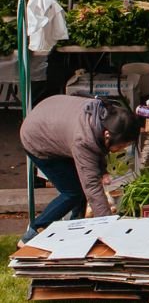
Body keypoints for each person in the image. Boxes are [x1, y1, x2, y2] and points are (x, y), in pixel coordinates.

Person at [19, 96, 140, 244]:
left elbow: (99, 146)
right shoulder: (83, 140)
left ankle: (77, 225)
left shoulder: (104, 116)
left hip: (51, 118)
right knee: (73, 192)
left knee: (79, 186)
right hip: (37, 139)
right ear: (107, 134)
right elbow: (91, 187)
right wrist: (109, 226)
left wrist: (102, 170)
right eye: (121, 146)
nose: (121, 149)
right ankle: (33, 231)